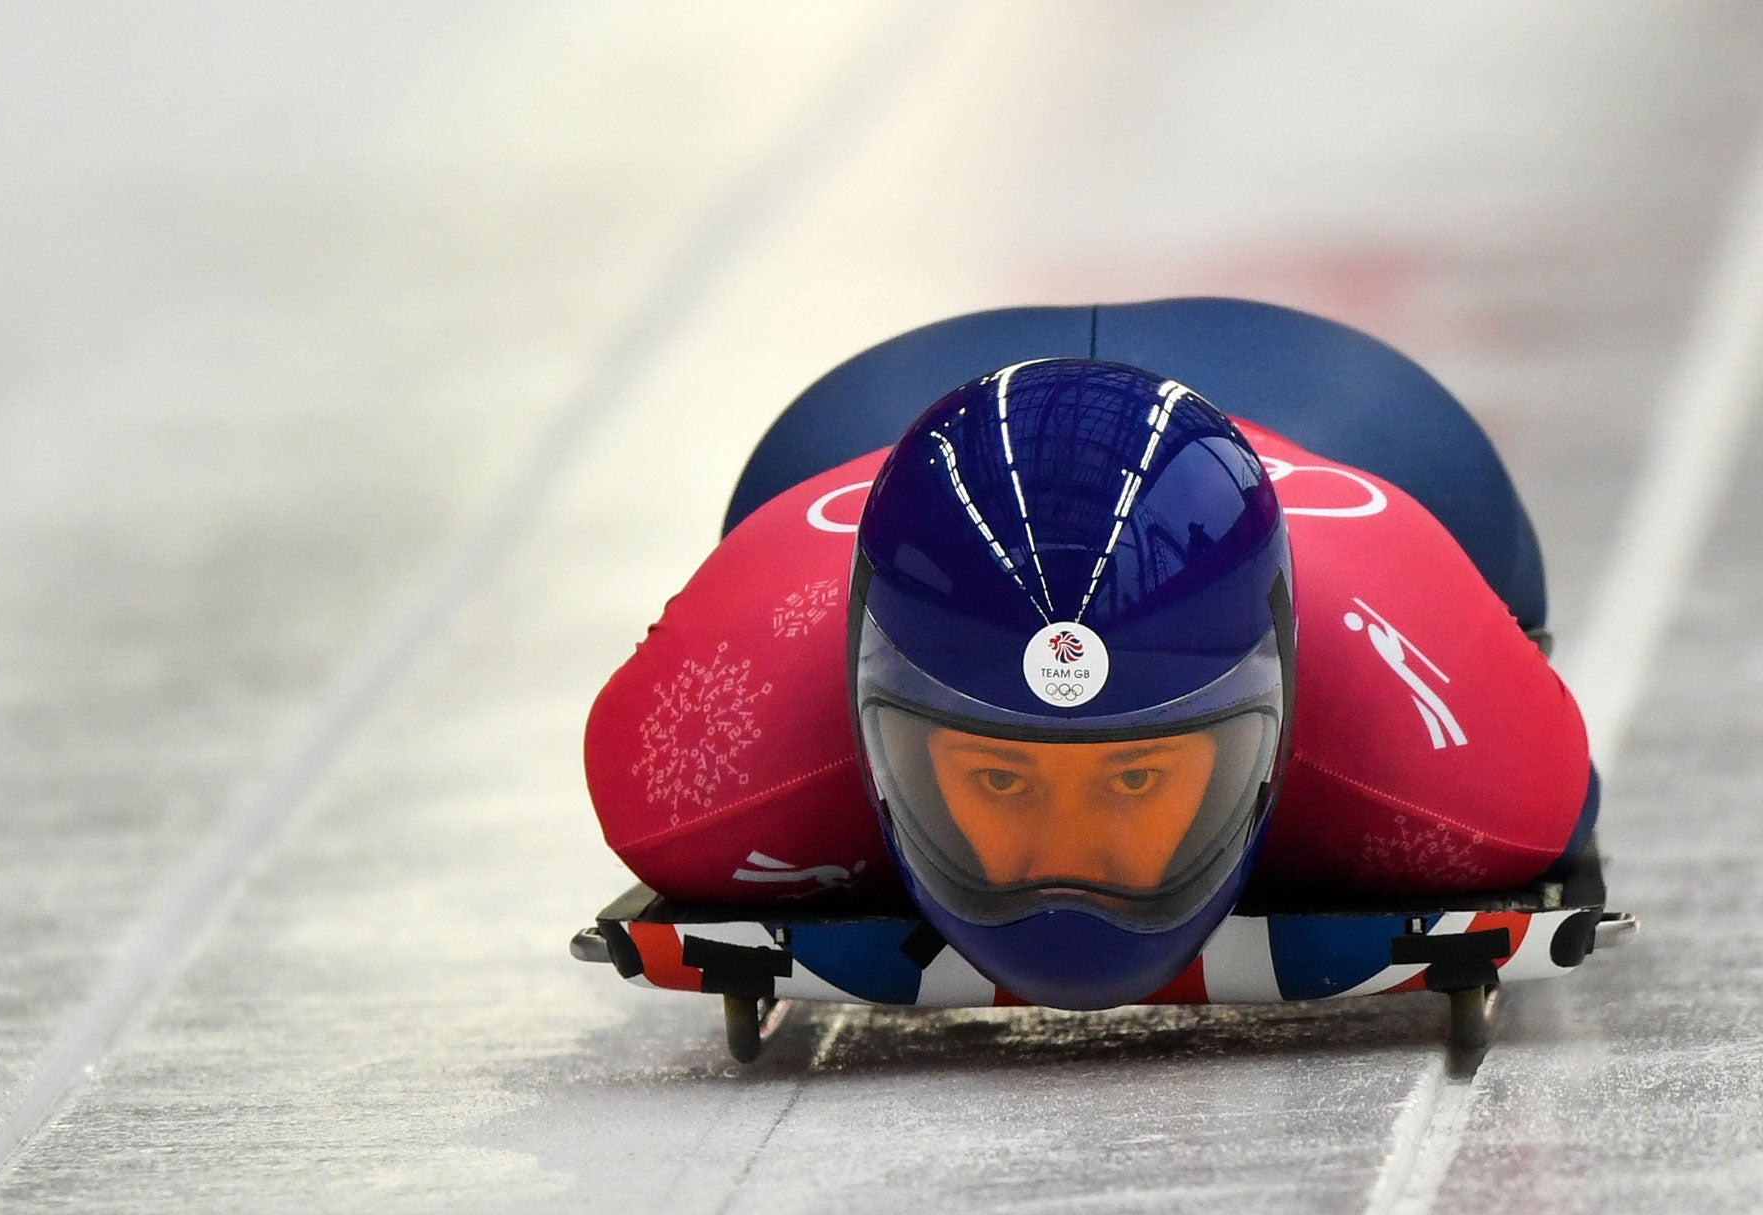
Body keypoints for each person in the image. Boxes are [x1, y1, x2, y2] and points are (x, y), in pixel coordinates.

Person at [584, 300, 1596, 1009]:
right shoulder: (701, 770)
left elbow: (1555, 788)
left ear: (1283, 702)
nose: (1066, 861)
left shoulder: (1461, 778)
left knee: (1456, 509)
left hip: (1353, 431)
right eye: (996, 774)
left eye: (1135, 773)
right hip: (858, 443)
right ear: (862, 707)